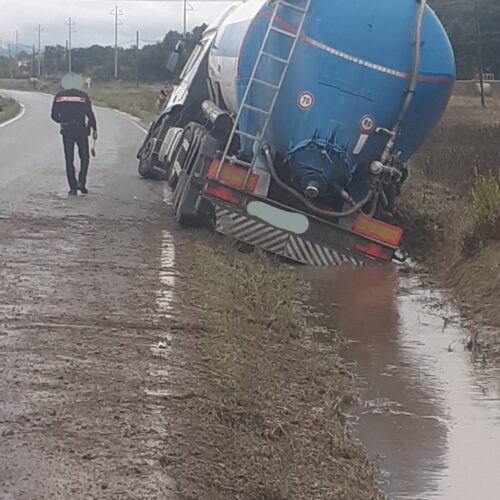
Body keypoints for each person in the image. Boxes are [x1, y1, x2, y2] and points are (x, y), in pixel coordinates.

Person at [51, 73, 98, 195]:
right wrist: (94, 129)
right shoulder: (83, 96)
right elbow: (90, 114)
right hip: (81, 130)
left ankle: (72, 187)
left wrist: (62, 121)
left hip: (66, 130)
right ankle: (82, 182)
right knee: (85, 157)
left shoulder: (59, 96)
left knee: (69, 158)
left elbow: (54, 115)